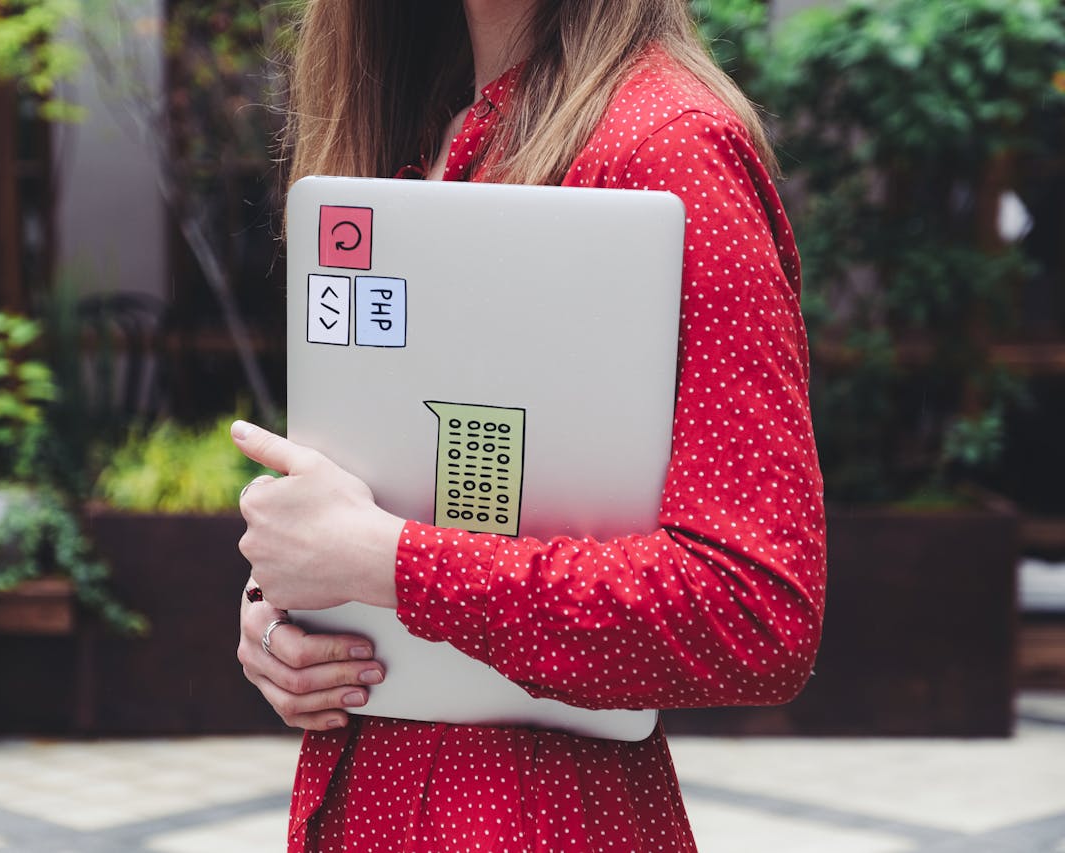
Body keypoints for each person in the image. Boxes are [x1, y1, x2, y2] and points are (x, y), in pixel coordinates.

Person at [234, 1, 826, 850]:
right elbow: (410, 497)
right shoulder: (427, 128)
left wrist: (391, 562)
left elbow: (755, 612)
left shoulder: (669, 144)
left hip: (532, 820)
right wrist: (285, 614)